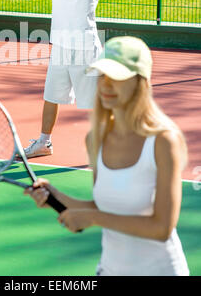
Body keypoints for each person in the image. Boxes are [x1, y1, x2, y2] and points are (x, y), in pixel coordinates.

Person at [25, 36, 190, 276]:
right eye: (102, 76)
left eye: (117, 78)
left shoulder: (163, 141)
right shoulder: (95, 140)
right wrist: (56, 196)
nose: (106, 85)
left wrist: (92, 218)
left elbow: (161, 227)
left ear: (140, 82)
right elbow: (104, 206)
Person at [5, 0, 117, 158]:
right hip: (61, 48)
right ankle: (44, 142)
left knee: (94, 103)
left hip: (85, 49)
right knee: (51, 96)